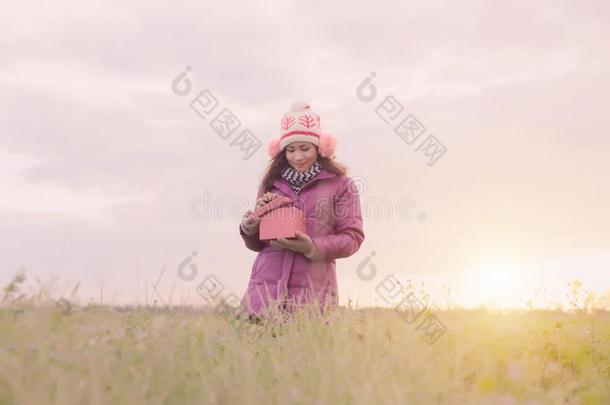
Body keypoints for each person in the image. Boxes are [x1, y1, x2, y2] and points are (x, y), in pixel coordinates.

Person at [238, 101, 365, 321]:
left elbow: (352, 237)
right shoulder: (271, 183)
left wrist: (313, 248)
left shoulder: (341, 185)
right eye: (290, 150)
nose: (298, 157)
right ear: (281, 150)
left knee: (306, 353)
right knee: (258, 354)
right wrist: (249, 228)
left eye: (305, 148)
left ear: (320, 147)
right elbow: (258, 244)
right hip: (264, 294)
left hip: (312, 296)